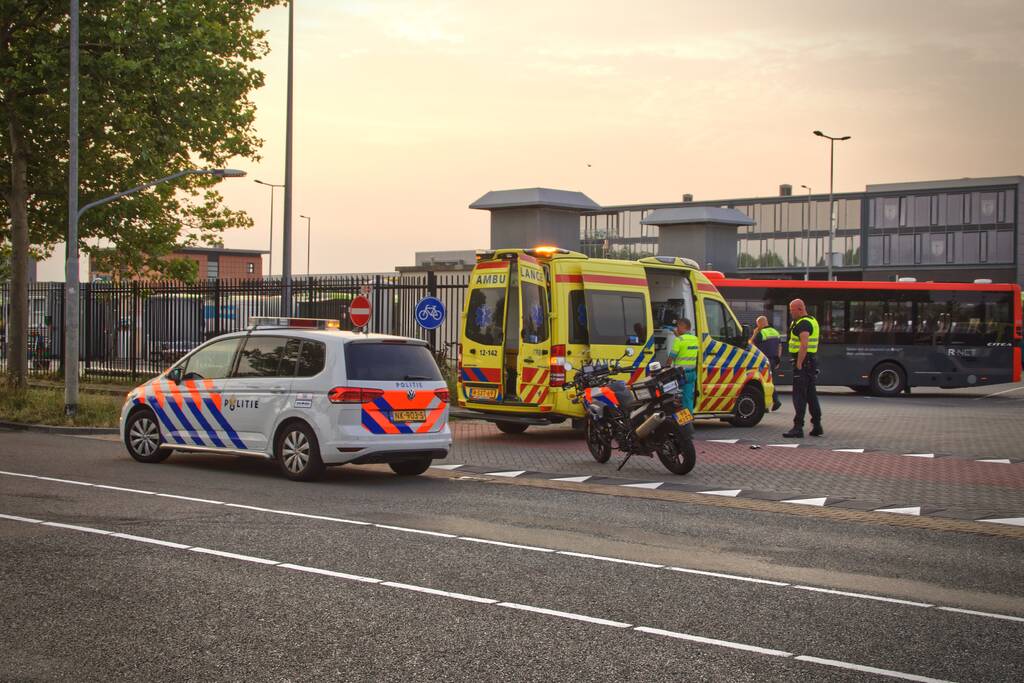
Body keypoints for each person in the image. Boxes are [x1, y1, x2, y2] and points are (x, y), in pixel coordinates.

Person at [783, 299, 823, 438]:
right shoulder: (812, 320)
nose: (790, 312)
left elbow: (804, 345)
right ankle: (817, 425)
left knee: (799, 396)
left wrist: (799, 364)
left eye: (792, 310)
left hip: (804, 363)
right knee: (811, 395)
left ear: (800, 309)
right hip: (811, 363)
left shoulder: (803, 323)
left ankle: (798, 427)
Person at [748, 315, 783, 411]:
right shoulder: (776, 332)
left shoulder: (761, 333)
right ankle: (766, 405)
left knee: (764, 382)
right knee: (768, 381)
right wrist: (778, 360)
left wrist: (755, 333)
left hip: (763, 360)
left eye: (757, 324)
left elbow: (750, 344)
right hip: (774, 360)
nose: (757, 326)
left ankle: (776, 401)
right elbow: (780, 347)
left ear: (760, 323)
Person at [668, 317, 700, 413]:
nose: (677, 329)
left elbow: (671, 357)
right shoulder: (695, 339)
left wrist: (665, 368)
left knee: (676, 398)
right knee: (688, 397)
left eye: (678, 326)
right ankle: (689, 419)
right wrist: (677, 335)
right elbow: (687, 346)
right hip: (691, 374)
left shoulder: (679, 340)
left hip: (681, 374)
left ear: (683, 326)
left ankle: (680, 420)